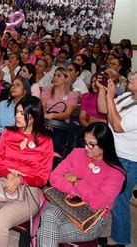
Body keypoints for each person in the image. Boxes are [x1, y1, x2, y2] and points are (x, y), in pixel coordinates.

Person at [0, 96, 54, 247]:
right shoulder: (8, 133)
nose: (17, 116)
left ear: (33, 117)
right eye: (17, 112)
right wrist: (9, 175)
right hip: (2, 181)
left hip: (28, 191)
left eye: (22, 113)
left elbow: (43, 177)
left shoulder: (45, 142)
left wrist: (20, 179)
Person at [37, 122, 126, 246]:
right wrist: (80, 191)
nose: (86, 148)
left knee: (45, 229)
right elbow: (54, 178)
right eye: (85, 142)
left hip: (90, 218)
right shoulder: (77, 153)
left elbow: (97, 202)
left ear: (105, 145)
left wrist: (76, 181)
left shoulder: (115, 172)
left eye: (92, 145)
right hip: (64, 203)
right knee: (48, 216)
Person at [97, 71, 137, 247]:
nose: (132, 78)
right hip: (115, 153)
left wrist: (111, 97)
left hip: (128, 159)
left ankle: (119, 240)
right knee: (113, 197)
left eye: (136, 78)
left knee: (119, 200)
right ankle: (116, 236)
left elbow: (118, 126)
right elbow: (104, 109)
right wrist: (102, 91)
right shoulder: (128, 96)